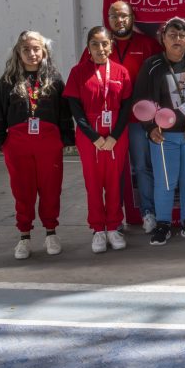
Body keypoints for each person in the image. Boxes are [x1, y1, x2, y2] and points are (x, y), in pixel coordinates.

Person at [0, 31, 74, 259]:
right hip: (17, 144)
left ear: (44, 51)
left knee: (50, 188)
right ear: (18, 52)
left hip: (48, 143)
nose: (32, 53)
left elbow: (64, 112)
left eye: (36, 49)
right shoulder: (8, 81)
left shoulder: (54, 78)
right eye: (26, 49)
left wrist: (66, 136)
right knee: (22, 190)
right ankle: (24, 236)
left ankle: (51, 232)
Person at [133, 17, 185, 246]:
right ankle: (163, 224)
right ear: (163, 39)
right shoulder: (152, 66)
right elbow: (140, 101)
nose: (177, 39)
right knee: (165, 181)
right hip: (164, 136)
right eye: (172, 35)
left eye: (182, 35)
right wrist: (150, 128)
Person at [65, 26, 134, 253]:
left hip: (116, 136)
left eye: (105, 43)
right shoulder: (77, 73)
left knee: (114, 182)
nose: (100, 48)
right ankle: (97, 229)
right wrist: (94, 137)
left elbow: (125, 108)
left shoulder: (121, 72)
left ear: (111, 45)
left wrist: (114, 136)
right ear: (88, 47)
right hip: (89, 137)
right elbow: (76, 110)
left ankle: (113, 226)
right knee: (93, 184)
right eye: (95, 44)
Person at [102, 1, 162, 233]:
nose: (119, 20)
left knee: (141, 166)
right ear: (108, 19)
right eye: (114, 16)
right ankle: (115, 218)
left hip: (139, 121)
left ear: (132, 18)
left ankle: (148, 213)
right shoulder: (101, 46)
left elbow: (161, 77)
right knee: (114, 170)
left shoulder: (147, 44)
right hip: (111, 121)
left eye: (124, 16)